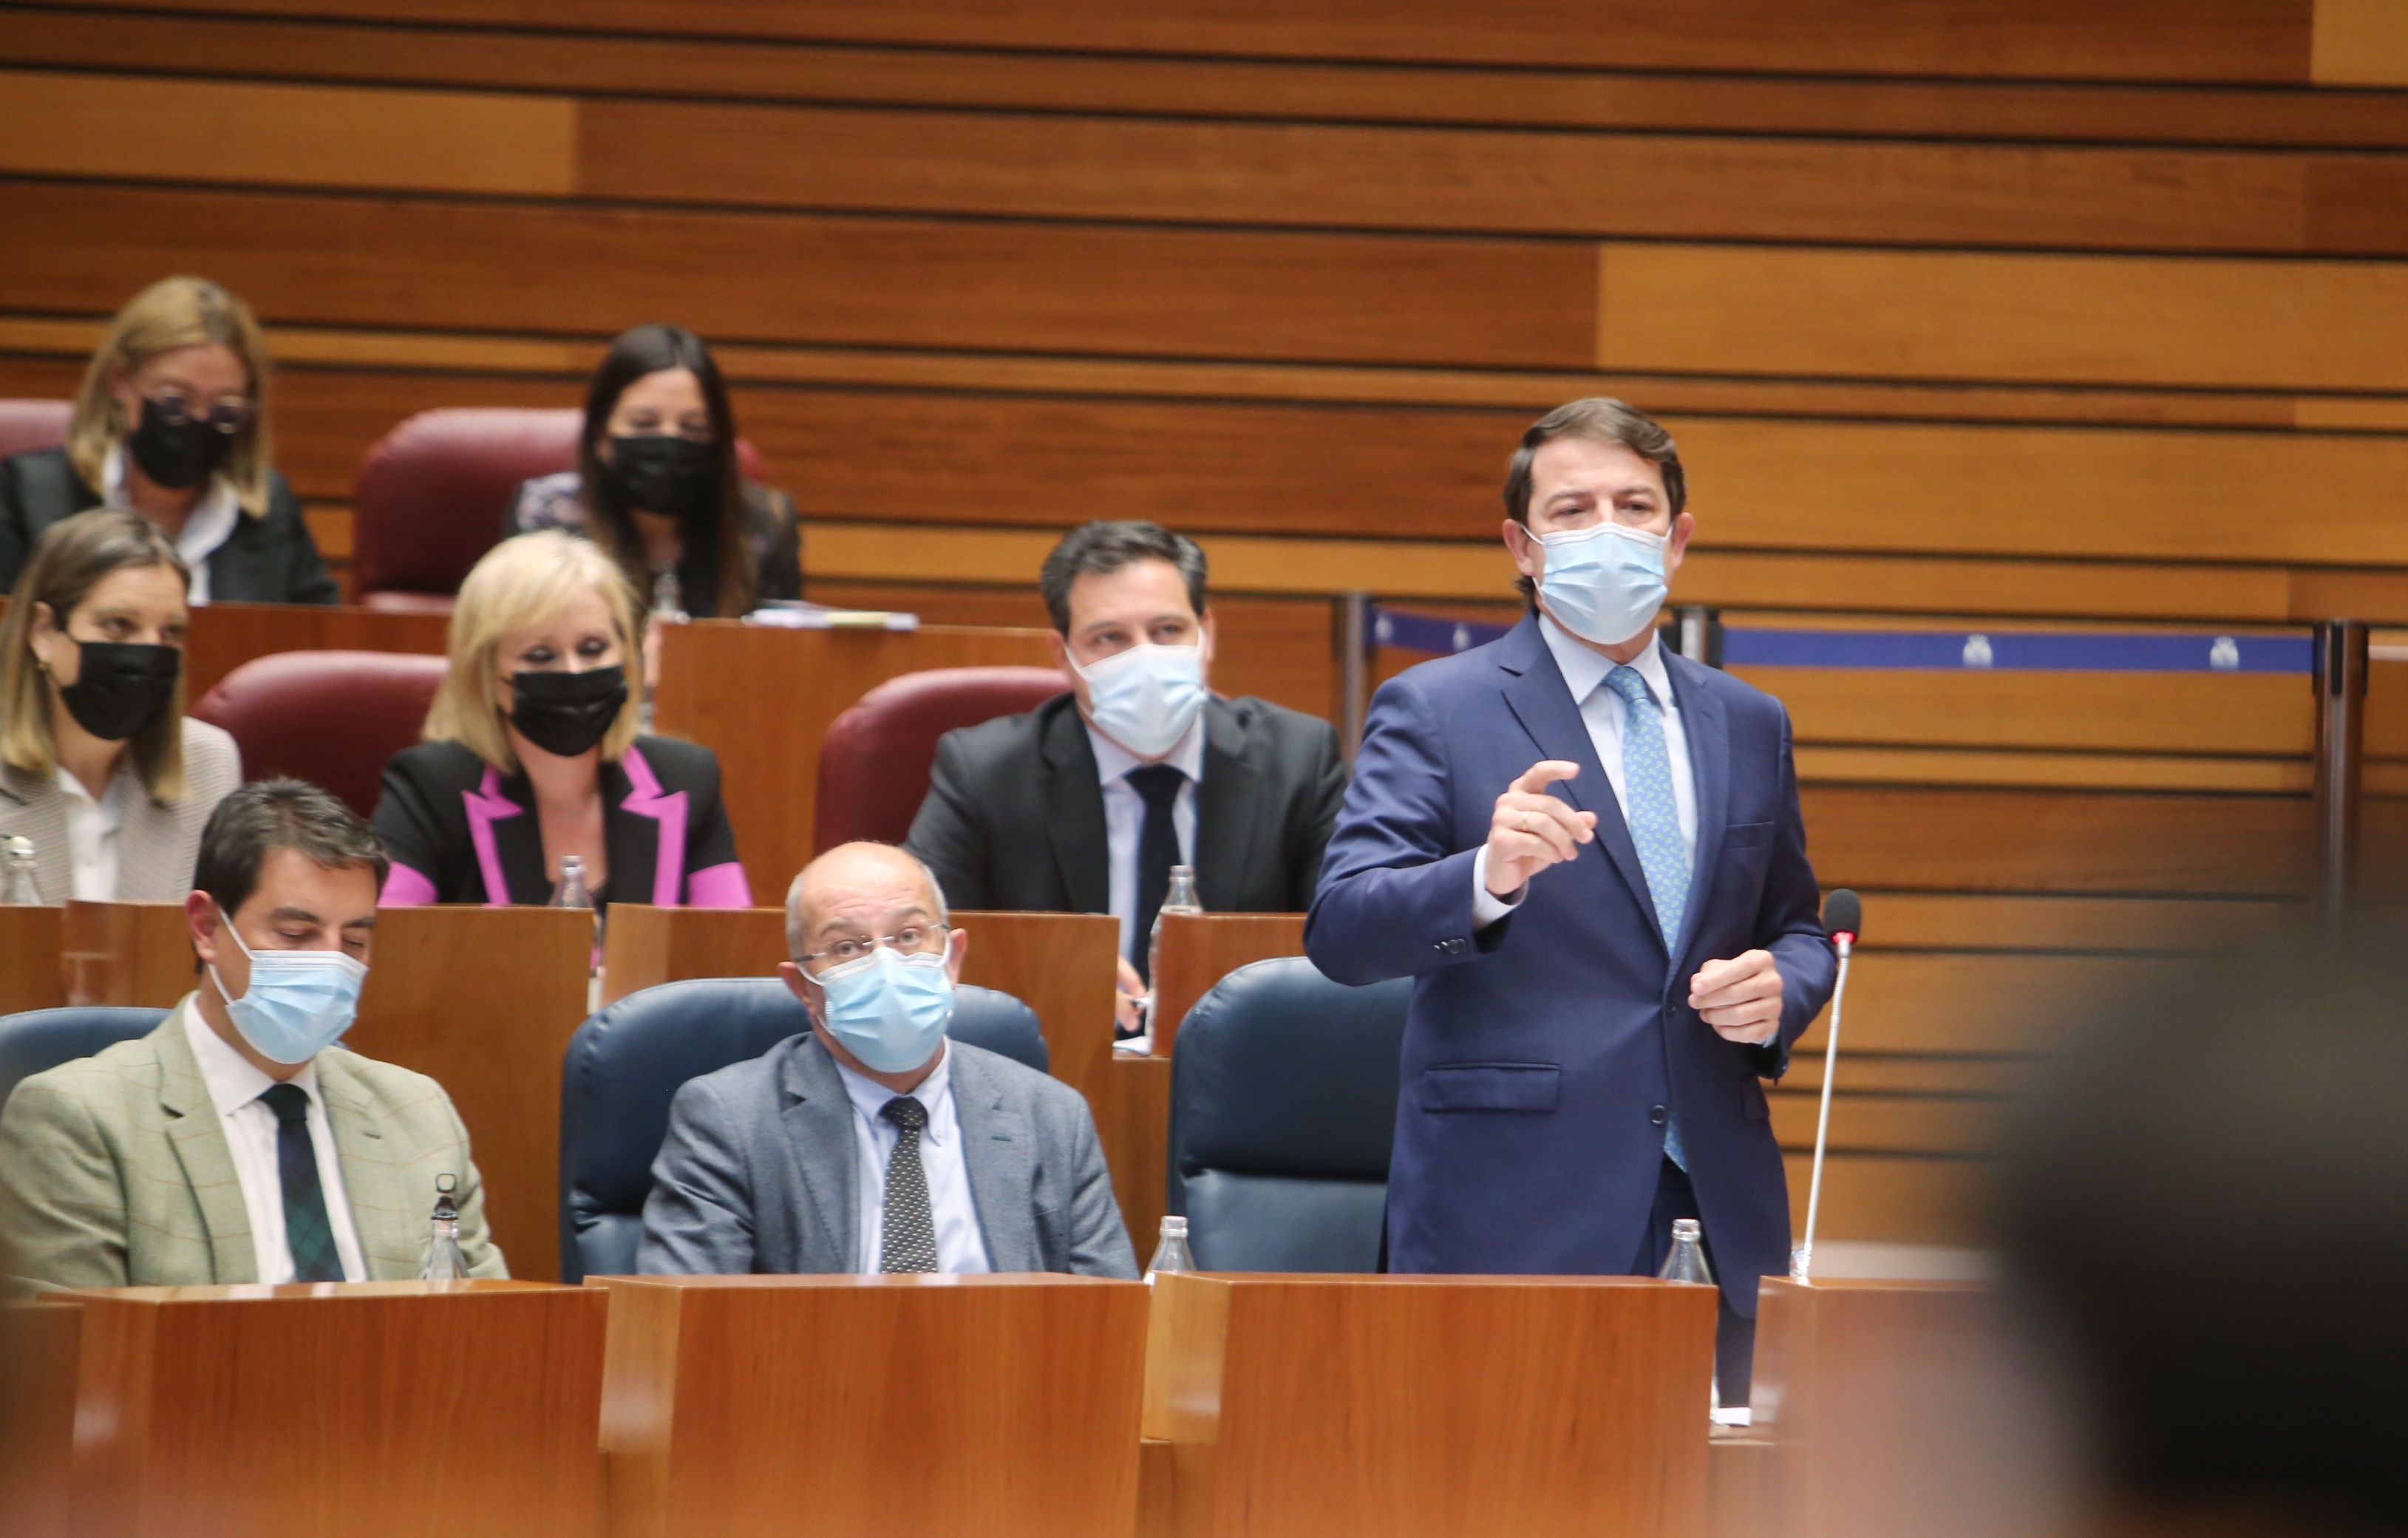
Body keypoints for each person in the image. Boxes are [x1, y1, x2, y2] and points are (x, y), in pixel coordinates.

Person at [1305, 398, 1835, 1405]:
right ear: (1522, 543)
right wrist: (1484, 876)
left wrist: (1784, 988)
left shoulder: (1749, 720)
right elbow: (1341, 927)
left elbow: (1794, 925)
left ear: (1675, 539)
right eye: (1573, 507)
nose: (1607, 530)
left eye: (1634, 506)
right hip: (1513, 1204)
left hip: (1713, 1196)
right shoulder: (1437, 707)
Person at [0, 778, 506, 1290]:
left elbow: (486, 1333)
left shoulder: (419, 1116)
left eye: (354, 940)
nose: (330, 962)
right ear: (206, 926)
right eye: (295, 933)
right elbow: (81, 1355)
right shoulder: (80, 1121)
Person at [905, 521, 1346, 1033]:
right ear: (1062, 655)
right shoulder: (985, 771)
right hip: (1056, 1060)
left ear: (1207, 633)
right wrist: (1054, 976)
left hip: (1248, 1060)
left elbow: (1345, 947)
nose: (1145, 658)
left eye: (1167, 631)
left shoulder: (1298, 762)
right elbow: (919, 945)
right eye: (1109, 637)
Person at [637, 841, 1136, 1279]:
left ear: (953, 957)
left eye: (909, 936)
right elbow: (695, 1327)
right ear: (803, 987)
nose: (885, 964)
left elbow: (1112, 1321)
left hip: (1007, 1378)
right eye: (847, 947)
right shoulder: (729, 1120)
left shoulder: (1051, 1115)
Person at [371, 531, 750, 909]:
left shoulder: (686, 780)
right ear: (486, 674)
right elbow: (387, 947)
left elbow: (726, 953)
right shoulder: (430, 789)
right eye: (540, 655)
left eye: (593, 649)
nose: (573, 672)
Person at [0, 276, 337, 605]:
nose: (198, 423)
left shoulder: (270, 512)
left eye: (225, 410)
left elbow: (317, 643)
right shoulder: (28, 497)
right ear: (121, 383)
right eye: (176, 402)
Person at [0, 510, 240, 901]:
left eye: (171, 632)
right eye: (118, 625)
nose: (148, 650)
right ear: (44, 632)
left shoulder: (208, 764)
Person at [506, 323, 800, 619]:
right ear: (600, 438)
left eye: (694, 428)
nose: (669, 443)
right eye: (644, 424)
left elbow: (783, 649)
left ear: (719, 441)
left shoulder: (764, 523)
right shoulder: (546, 515)